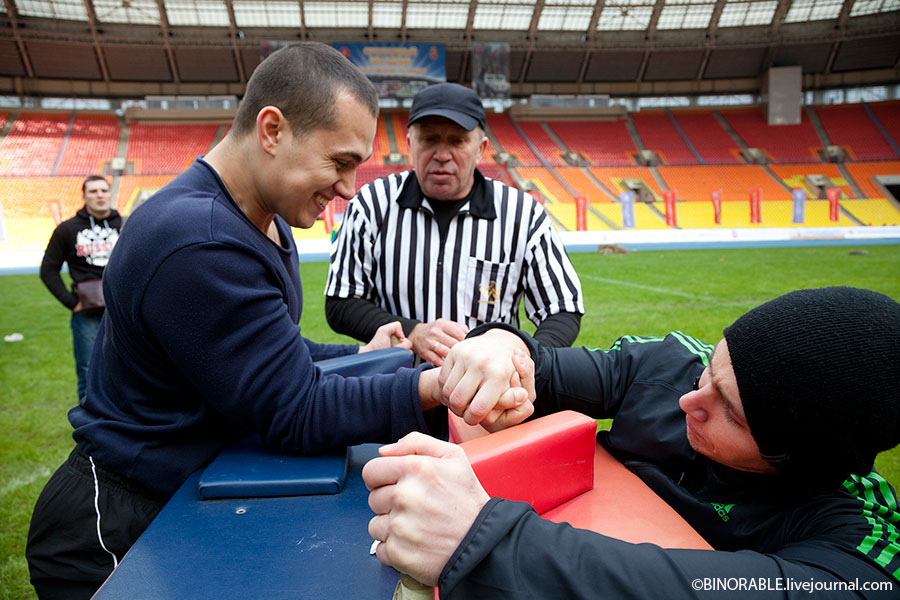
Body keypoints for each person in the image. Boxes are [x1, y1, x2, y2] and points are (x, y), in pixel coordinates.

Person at [25, 43, 523, 600]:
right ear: (272, 131)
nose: (347, 187)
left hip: (183, 498)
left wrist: (360, 356)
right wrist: (439, 384)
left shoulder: (261, 217)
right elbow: (295, 408)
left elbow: (269, 354)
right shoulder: (200, 238)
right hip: (116, 525)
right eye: (339, 161)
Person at [364, 287, 900, 598]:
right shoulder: (674, 364)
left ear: (793, 459)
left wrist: (484, 541)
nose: (690, 401)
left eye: (730, 416)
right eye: (710, 372)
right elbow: (543, 369)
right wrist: (501, 347)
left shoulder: (861, 540)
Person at [324, 82, 584, 366]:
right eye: (429, 139)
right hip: (394, 388)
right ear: (410, 143)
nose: (442, 155)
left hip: (488, 395)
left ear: (481, 148)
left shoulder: (524, 215)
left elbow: (562, 309)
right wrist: (414, 331)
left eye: (457, 141)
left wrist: (521, 358)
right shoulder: (372, 205)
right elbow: (341, 303)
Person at [39, 175, 123, 402]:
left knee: (130, 371)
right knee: (89, 373)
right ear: (84, 196)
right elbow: (48, 269)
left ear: (110, 194)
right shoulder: (67, 229)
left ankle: (125, 428)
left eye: (104, 191)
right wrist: (71, 302)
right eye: (93, 191)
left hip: (124, 311)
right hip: (88, 313)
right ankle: (90, 432)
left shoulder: (126, 225)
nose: (100, 196)